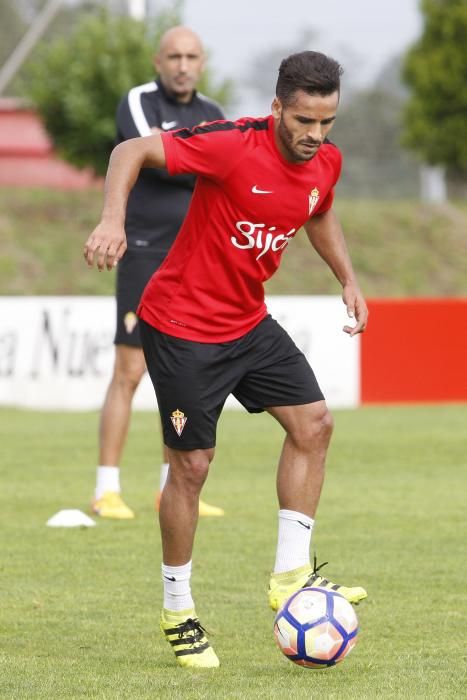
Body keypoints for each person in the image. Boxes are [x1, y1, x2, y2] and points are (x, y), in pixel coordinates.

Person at [84, 50, 369, 669]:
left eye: (326, 124)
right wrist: (113, 220)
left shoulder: (325, 161)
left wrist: (346, 277)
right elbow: (128, 152)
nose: (314, 136)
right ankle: (178, 610)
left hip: (247, 321)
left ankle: (290, 576)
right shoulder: (232, 144)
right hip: (182, 326)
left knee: (314, 423)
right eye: (303, 121)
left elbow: (317, 209)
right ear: (276, 108)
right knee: (191, 467)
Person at [91, 26, 225, 520]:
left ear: (203, 61)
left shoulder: (213, 114)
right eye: (174, 56)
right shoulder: (138, 100)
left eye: (192, 55)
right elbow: (156, 155)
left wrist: (189, 157)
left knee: (188, 371)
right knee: (130, 370)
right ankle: (106, 488)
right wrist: (194, 158)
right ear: (158, 60)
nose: (183, 65)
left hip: (194, 257)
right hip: (144, 251)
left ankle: (173, 485)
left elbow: (217, 169)